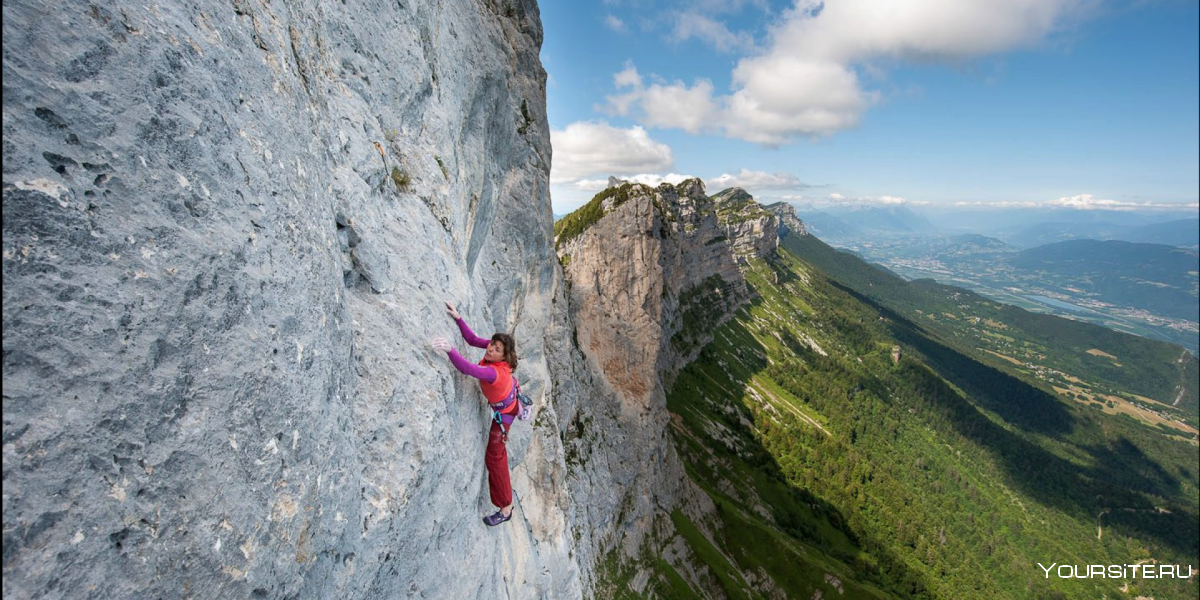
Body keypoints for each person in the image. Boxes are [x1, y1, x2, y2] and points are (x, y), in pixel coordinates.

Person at [430, 301, 520, 527]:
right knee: (496, 455)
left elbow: (469, 369)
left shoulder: (493, 372)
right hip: (510, 398)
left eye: (497, 349)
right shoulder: (496, 356)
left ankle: (506, 507)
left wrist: (450, 350)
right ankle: (505, 504)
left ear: (504, 358)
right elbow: (472, 340)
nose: (490, 349)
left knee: (495, 456)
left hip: (506, 413)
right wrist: (458, 317)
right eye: (492, 344)